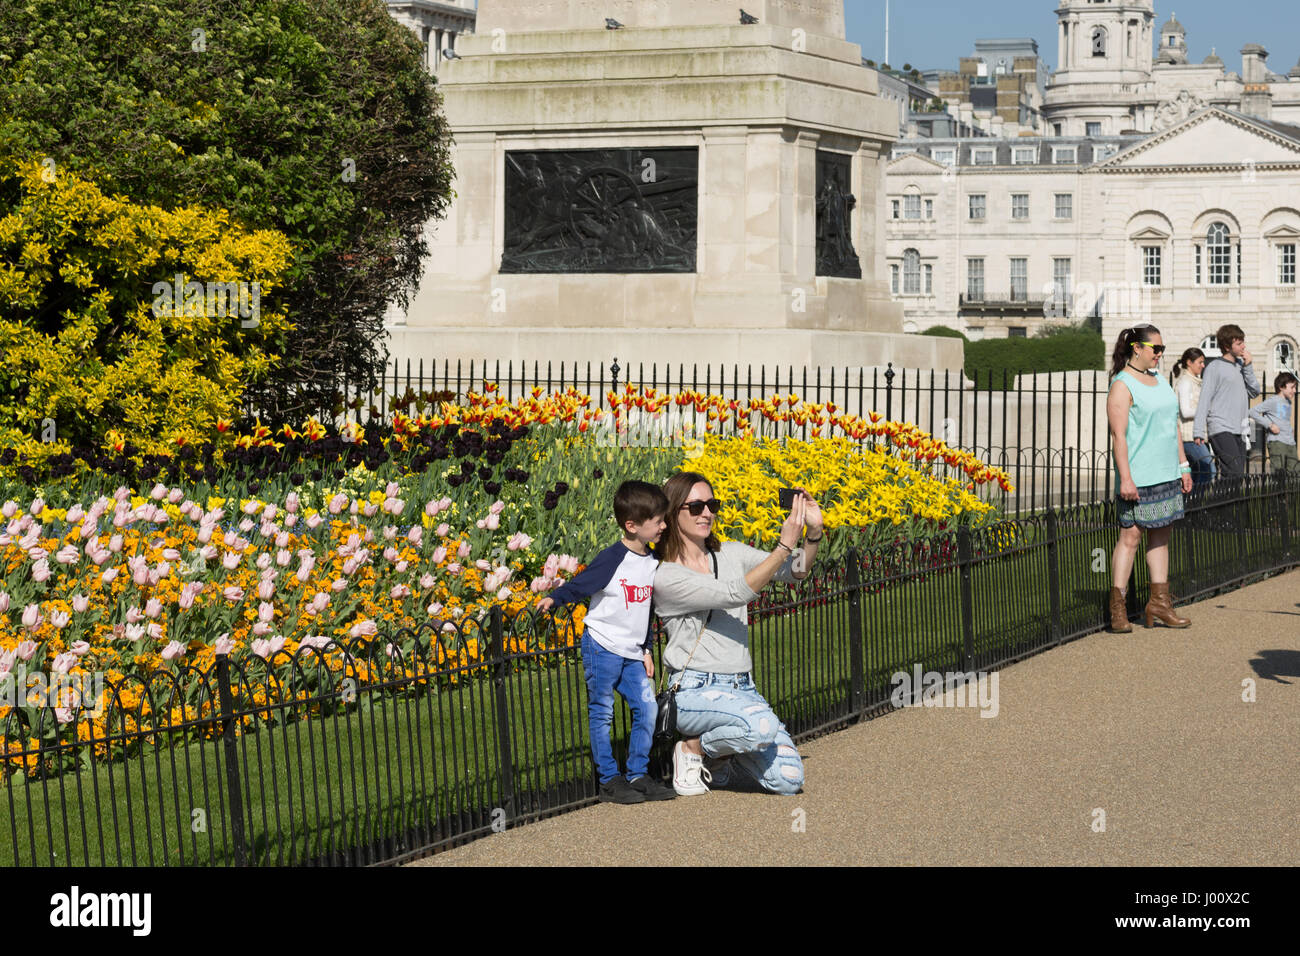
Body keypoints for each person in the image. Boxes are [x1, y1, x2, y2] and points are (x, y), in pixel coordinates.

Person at [651, 471, 823, 796]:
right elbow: (734, 593)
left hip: (742, 688)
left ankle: (720, 761)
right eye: (696, 506)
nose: (707, 513)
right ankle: (692, 748)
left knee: (789, 781)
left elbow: (794, 571)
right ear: (673, 512)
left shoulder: (730, 553)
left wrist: (812, 535)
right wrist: (784, 543)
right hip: (694, 690)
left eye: (712, 505)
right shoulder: (667, 575)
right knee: (760, 727)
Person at [535, 480, 675, 804]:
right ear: (632, 525)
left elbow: (647, 608)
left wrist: (647, 648)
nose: (663, 526)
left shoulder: (653, 561)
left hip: (632, 652)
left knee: (648, 707)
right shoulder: (612, 559)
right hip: (602, 646)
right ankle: (610, 780)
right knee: (602, 713)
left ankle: (638, 773)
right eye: (658, 522)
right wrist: (554, 599)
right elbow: (581, 584)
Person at [1106, 325, 1194, 632]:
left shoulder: (1160, 381)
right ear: (1136, 348)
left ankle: (1159, 603)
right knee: (1130, 538)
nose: (1159, 354)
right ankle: (1117, 608)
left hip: (1166, 472)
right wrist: (1125, 479)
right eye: (1155, 348)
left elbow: (1172, 427)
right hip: (1138, 476)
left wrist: (1183, 465)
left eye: (1162, 349)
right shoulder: (1122, 384)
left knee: (1161, 535)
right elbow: (1119, 436)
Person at [1192, 324, 1260, 479]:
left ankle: (1226, 503)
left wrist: (1248, 367)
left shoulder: (1242, 365)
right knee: (1234, 472)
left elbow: (1254, 391)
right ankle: (1220, 503)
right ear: (1226, 346)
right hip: (1221, 426)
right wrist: (1198, 431)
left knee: (1236, 476)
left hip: (1241, 428)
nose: (1243, 346)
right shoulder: (1214, 367)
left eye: (1243, 342)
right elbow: (1204, 399)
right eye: (1238, 343)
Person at [1172, 348, 1215, 488]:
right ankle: (1197, 506)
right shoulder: (1185, 382)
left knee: (1196, 474)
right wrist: (1206, 410)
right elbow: (1185, 411)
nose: (1203, 365)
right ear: (1189, 363)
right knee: (1208, 470)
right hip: (1188, 437)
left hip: (1195, 435)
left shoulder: (1194, 381)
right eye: (1200, 362)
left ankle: (1191, 506)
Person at [1248, 372, 1298, 475]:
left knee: (1294, 473)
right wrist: (1270, 425)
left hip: (1290, 442)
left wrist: (1290, 429)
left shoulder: (1289, 402)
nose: (1295, 391)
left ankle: (1291, 492)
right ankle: (1280, 491)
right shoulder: (1273, 401)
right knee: (1279, 474)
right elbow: (1252, 412)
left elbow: (1283, 419)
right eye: (1292, 387)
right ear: (1281, 387)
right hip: (1277, 442)